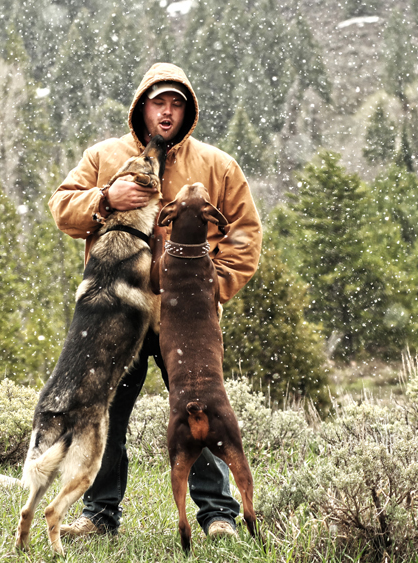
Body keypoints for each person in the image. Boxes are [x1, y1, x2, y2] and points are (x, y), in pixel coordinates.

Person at [48, 62, 262, 540]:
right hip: (120, 315)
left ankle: (218, 515)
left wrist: (209, 290)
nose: (167, 113)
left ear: (187, 111)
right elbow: (62, 207)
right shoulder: (105, 156)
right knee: (106, 411)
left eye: (176, 104)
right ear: (142, 106)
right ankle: (100, 516)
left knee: (199, 409)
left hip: (183, 324)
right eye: (159, 102)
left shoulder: (217, 165)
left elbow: (246, 235)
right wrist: (105, 198)